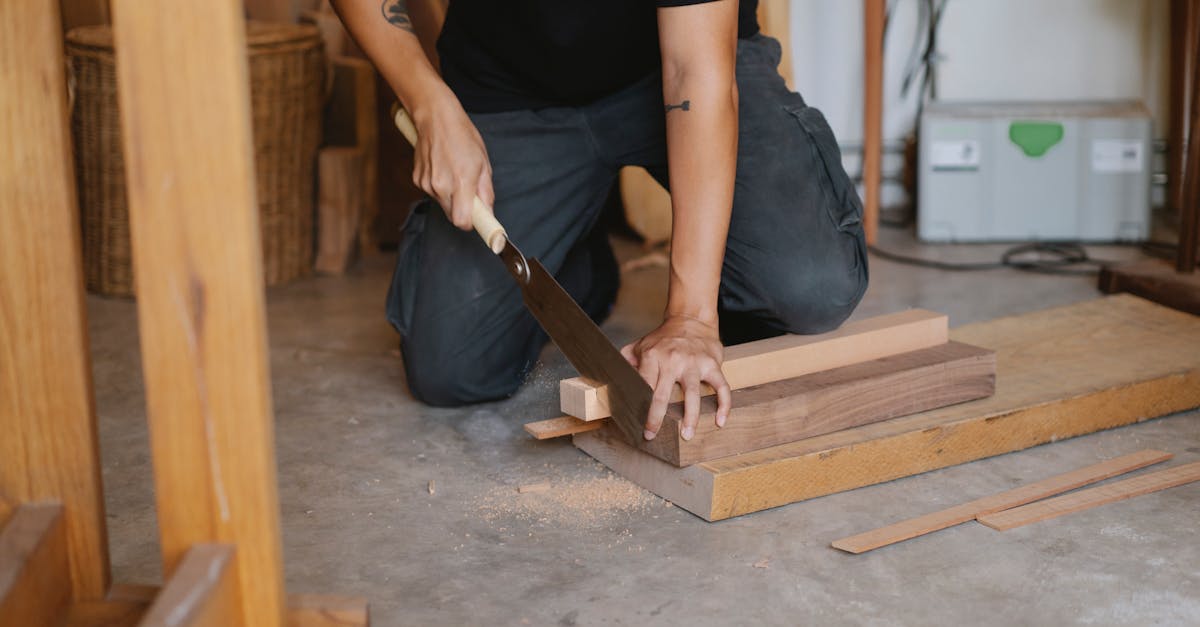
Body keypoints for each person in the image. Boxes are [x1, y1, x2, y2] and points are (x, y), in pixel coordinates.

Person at [331, 0, 868, 442]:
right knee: (450, 369)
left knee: (811, 285)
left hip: (680, 64)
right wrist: (428, 101)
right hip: (511, 85)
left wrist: (691, 318)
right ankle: (578, 262)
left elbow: (694, 68)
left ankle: (723, 286)